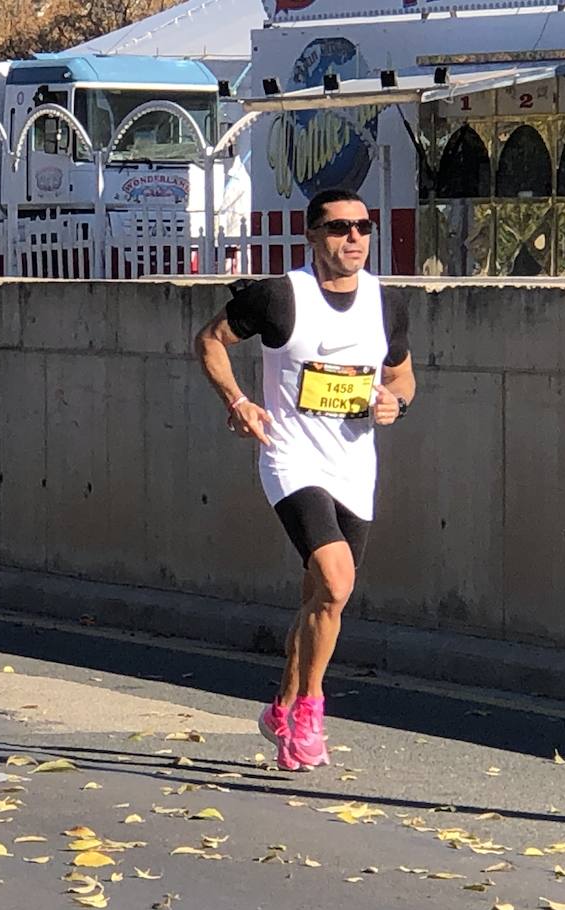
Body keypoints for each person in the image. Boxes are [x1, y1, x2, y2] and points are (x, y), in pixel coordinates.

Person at [194, 188, 415, 772]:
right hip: (289, 457)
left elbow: (401, 377)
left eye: (364, 227)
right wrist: (239, 401)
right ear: (313, 236)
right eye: (340, 228)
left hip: (354, 463)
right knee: (337, 583)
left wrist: (394, 402)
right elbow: (210, 340)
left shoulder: (384, 303)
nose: (354, 239)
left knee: (319, 596)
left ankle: (283, 705)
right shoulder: (279, 297)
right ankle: (312, 711)